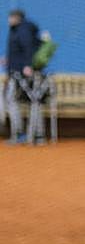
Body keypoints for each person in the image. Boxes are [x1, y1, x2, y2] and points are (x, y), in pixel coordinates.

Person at [5, 9, 39, 144]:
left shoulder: (23, 30)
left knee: (13, 100)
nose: (9, 20)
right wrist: (9, 60)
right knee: (12, 100)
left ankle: (21, 133)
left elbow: (27, 48)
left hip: (20, 74)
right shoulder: (16, 30)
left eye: (11, 17)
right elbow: (18, 50)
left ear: (17, 18)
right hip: (15, 71)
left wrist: (27, 65)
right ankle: (21, 133)